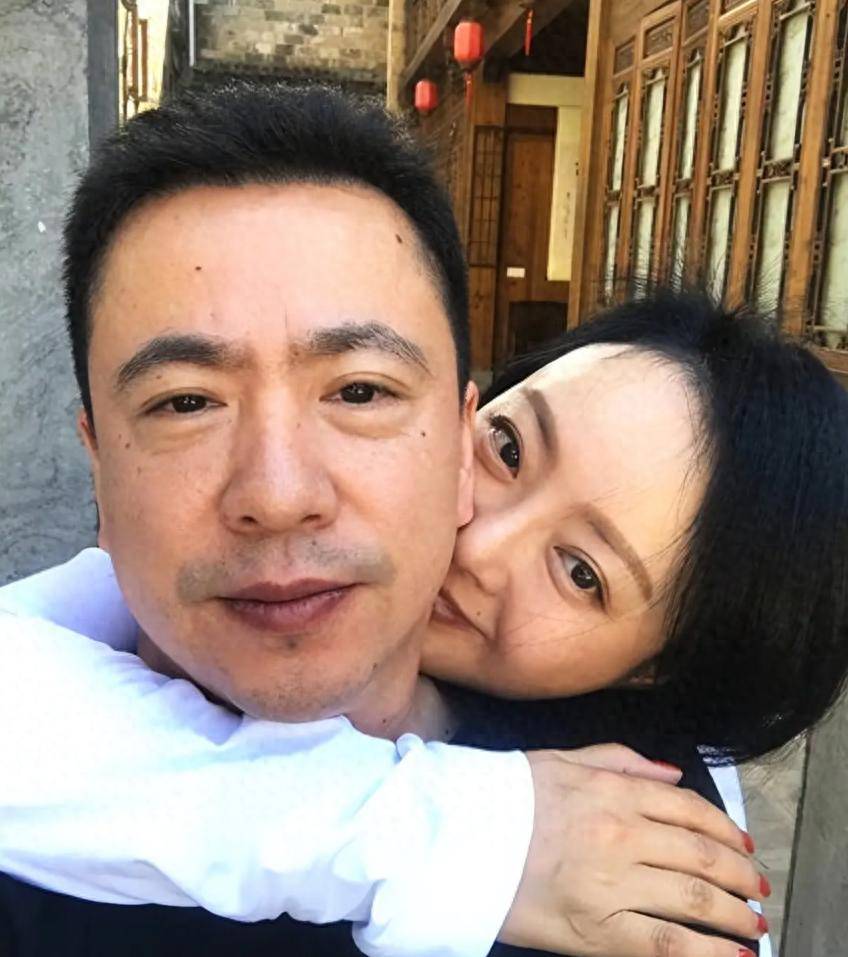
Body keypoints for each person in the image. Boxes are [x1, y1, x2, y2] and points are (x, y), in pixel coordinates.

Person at [5, 79, 843, 956]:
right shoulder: (48, 744)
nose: (477, 540)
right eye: (186, 402)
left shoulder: (640, 861)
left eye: (360, 391)